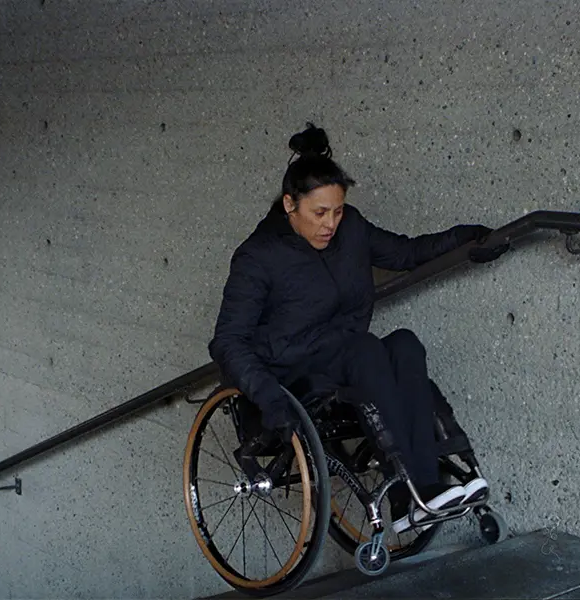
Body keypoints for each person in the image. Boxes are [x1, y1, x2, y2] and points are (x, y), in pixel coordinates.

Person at [208, 123, 509, 533]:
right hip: (291, 374)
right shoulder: (257, 257)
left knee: (404, 344)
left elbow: (406, 251)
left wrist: (470, 239)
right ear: (289, 205)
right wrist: (267, 397)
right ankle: (410, 492)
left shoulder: (350, 229)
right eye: (319, 213)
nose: (330, 223)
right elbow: (228, 340)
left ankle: (425, 486)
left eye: (337, 211)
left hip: (346, 356)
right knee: (365, 349)